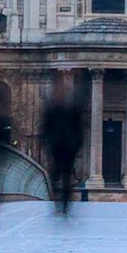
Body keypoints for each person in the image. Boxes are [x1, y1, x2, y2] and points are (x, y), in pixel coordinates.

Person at [39, 81, 87, 216]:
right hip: (56, 146)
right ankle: (59, 201)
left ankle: (64, 204)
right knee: (56, 175)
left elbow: (79, 130)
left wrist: (76, 145)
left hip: (68, 148)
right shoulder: (53, 109)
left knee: (66, 176)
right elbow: (46, 128)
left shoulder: (71, 110)